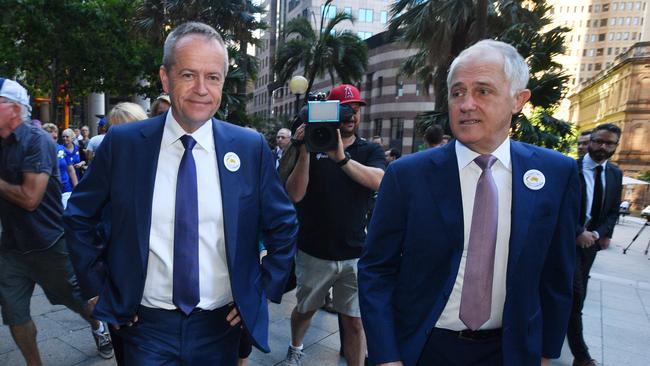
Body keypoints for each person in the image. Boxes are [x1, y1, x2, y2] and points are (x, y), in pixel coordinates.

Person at [63, 22, 297, 365]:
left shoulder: (249, 149)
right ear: (165, 78)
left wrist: (260, 288)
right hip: (144, 327)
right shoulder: (124, 145)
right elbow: (79, 216)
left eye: (213, 77)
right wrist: (97, 290)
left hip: (220, 327)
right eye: (189, 74)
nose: (202, 89)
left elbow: (284, 223)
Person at [358, 40, 580, 366]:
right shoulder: (408, 175)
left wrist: (547, 354)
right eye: (458, 92)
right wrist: (386, 356)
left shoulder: (556, 173)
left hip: (511, 352)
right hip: (422, 348)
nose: (466, 104)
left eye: (483, 91)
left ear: (519, 100)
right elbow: (376, 270)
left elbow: (558, 276)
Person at [0, 77, 114, 365]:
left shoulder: (36, 141)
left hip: (48, 242)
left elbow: (30, 198)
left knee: (79, 302)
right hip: (11, 247)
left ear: (14, 108)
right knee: (15, 313)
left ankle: (98, 325)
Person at [284, 83, 385, 366]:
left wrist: (341, 158)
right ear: (329, 113)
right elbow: (294, 194)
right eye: (344, 110)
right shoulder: (313, 146)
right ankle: (295, 346)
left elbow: (379, 180)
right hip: (314, 251)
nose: (351, 115)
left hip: (355, 253)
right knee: (305, 310)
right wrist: (305, 150)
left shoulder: (368, 150)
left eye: (355, 110)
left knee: (354, 322)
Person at [568, 123, 623, 366]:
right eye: (599, 141)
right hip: (564, 245)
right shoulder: (570, 168)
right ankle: (581, 356)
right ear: (590, 141)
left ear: (615, 146)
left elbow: (612, 212)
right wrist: (578, 231)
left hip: (590, 247)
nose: (603, 147)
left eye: (609, 143)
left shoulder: (615, 173)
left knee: (575, 298)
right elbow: (559, 209)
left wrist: (599, 233)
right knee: (575, 297)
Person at [42, 123, 77, 207]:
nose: (53, 140)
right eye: (50, 136)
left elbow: (71, 170)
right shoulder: (39, 150)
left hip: (65, 189)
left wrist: (76, 187)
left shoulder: (62, 149)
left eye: (55, 137)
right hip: (47, 192)